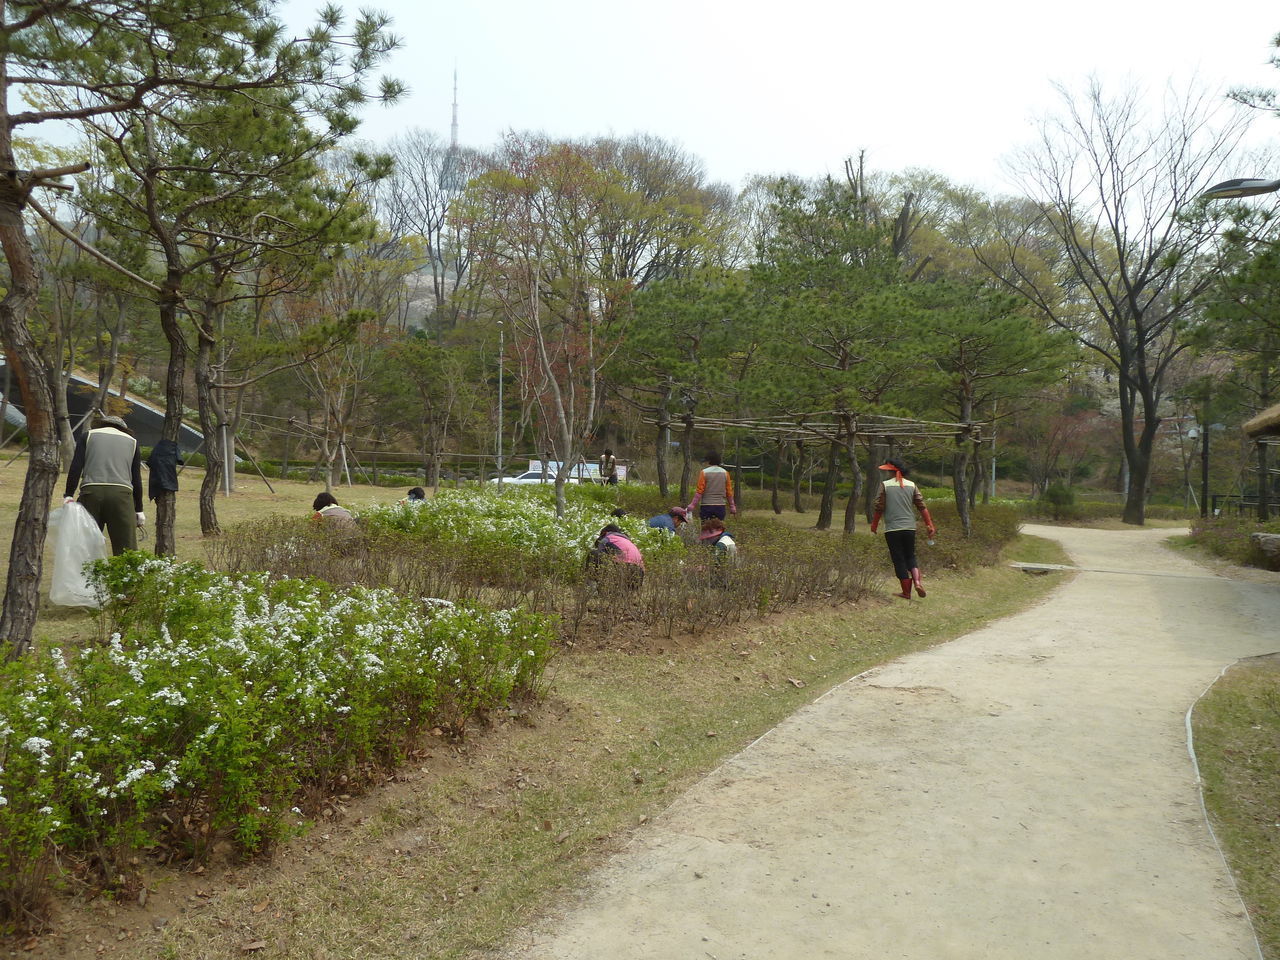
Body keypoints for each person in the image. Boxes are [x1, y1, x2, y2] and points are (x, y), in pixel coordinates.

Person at [63, 413, 144, 556]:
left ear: (101, 424)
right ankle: (125, 577)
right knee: (126, 547)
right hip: (122, 496)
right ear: (122, 429)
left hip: (91, 492)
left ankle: (87, 577)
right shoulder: (132, 442)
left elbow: (76, 467)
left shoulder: (88, 436)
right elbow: (136, 478)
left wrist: (68, 494)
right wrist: (139, 509)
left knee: (86, 544)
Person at [869, 457, 936, 600]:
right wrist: (929, 524)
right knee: (910, 556)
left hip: (892, 529)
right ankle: (918, 582)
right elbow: (921, 506)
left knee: (898, 559)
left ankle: (906, 592)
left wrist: (874, 525)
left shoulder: (885, 485)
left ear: (891, 471)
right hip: (909, 528)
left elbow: (879, 507)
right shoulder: (912, 485)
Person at [585, 523, 644, 588]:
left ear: (604, 533)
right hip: (638, 577)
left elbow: (601, 558)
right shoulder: (628, 541)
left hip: (623, 572)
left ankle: (591, 588)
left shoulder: (607, 539)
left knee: (594, 554)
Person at [687, 451, 736, 521]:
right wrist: (732, 506)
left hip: (706, 506)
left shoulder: (704, 472)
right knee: (719, 529)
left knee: (706, 529)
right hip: (720, 506)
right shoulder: (725, 473)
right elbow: (729, 492)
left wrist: (692, 505)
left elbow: (699, 491)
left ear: (709, 461)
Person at [698, 516, 738, 586]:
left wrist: (702, 568)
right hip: (733, 577)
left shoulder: (720, 545)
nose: (708, 540)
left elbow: (715, 566)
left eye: (709, 537)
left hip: (723, 580)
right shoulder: (728, 539)